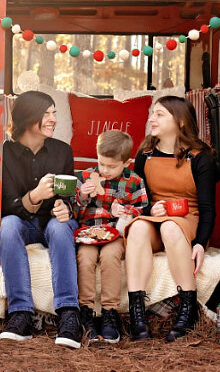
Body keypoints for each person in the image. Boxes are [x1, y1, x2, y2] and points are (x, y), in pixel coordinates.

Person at [124, 96, 217, 342]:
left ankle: (188, 308)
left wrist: (200, 242)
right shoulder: (145, 155)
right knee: (137, 230)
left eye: (160, 114)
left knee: (171, 228)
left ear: (181, 122)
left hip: (189, 220)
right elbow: (139, 201)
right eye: (152, 114)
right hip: (158, 218)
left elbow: (209, 208)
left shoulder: (200, 157)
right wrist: (147, 211)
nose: (151, 119)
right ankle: (137, 314)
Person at [0, 90, 82, 349]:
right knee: (8, 225)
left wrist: (64, 207)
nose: (53, 119)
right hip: (20, 221)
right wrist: (33, 197)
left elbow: (71, 198)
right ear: (28, 117)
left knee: (60, 228)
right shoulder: (5, 153)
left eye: (54, 113)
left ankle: (69, 314)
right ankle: (20, 314)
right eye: (46, 114)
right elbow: (4, 205)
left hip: (53, 223)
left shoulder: (62, 151)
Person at [75, 130, 148, 344]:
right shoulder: (86, 177)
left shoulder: (134, 181)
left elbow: (143, 209)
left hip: (114, 234)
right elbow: (74, 212)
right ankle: (86, 312)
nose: (105, 170)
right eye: (101, 164)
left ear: (126, 162)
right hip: (87, 232)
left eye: (111, 166)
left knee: (110, 258)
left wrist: (125, 211)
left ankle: (110, 313)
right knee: (85, 259)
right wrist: (83, 196)